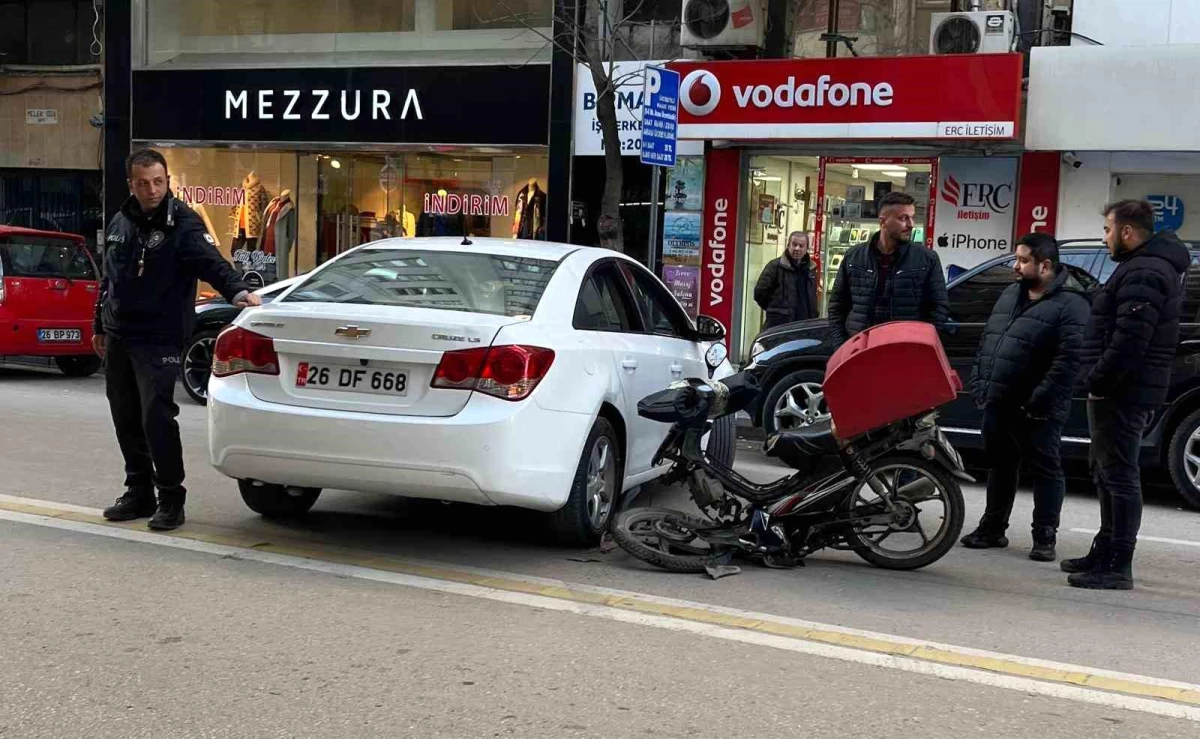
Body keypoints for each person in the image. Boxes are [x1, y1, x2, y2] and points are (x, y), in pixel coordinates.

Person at [93, 149, 261, 531]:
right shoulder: (121, 221)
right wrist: (98, 325)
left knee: (157, 417)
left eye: (158, 181)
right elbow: (109, 279)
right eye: (143, 183)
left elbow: (212, 262)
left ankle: (170, 496)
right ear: (130, 184)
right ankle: (138, 491)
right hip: (120, 334)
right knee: (126, 417)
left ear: (167, 181)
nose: (151, 190)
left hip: (159, 337)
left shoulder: (183, 223)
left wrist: (238, 291)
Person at [1063, 200, 1190, 590]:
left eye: (1107, 230)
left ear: (1127, 232)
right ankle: (1106, 549)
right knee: (1106, 472)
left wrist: (1098, 380)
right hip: (1120, 389)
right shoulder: (1140, 267)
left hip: (1123, 391)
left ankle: (1118, 564)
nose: (1105, 239)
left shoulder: (1146, 271)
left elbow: (1129, 341)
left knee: (1119, 474)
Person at [960, 233, 1091, 561]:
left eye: (1022, 261)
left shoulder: (1072, 304)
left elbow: (1070, 360)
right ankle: (992, 529)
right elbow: (989, 340)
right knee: (1000, 466)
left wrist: (1040, 399)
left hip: (1039, 407)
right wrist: (980, 381)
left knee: (1045, 469)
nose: (1015, 266)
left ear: (1045, 265)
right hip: (999, 399)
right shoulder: (1009, 294)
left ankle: (1044, 537)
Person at [828, 191, 948, 345]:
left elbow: (939, 308)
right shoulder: (854, 257)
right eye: (903, 218)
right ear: (883, 221)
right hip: (860, 350)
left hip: (903, 351)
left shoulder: (926, 259)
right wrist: (842, 346)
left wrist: (920, 345)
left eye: (912, 217)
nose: (911, 224)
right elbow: (837, 306)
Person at [754, 231, 819, 329]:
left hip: (805, 326)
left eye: (801, 246)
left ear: (807, 249)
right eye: (794, 244)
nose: (797, 248)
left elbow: (812, 296)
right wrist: (775, 311)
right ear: (788, 245)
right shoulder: (775, 266)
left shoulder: (811, 269)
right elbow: (760, 293)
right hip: (780, 326)